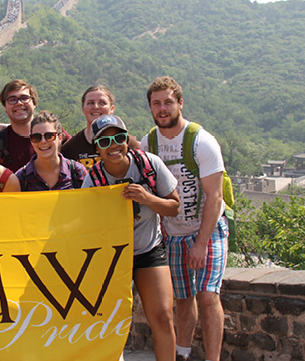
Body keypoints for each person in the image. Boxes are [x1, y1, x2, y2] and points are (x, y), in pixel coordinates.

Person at [140, 76, 229, 361]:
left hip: (208, 228)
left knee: (207, 296)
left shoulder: (201, 141)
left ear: (180, 103)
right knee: (183, 297)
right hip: (172, 233)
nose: (162, 109)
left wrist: (201, 243)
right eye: (156, 104)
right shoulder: (148, 143)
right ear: (151, 108)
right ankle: (183, 354)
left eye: (168, 102)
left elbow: (214, 196)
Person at [81, 114, 180, 361]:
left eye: (119, 138)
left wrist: (147, 198)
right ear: (96, 149)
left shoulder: (149, 164)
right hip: (113, 256)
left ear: (127, 140)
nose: (113, 146)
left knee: (163, 317)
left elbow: (174, 206)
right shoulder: (92, 180)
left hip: (149, 250)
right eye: (104, 142)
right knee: (110, 322)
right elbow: (85, 223)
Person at [61, 85, 140, 170]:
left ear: (112, 108)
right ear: (83, 109)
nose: (96, 106)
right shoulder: (70, 147)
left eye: (102, 103)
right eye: (90, 103)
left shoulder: (125, 141)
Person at [15, 111, 87, 191]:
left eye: (49, 136)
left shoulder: (77, 172)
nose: (43, 141)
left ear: (60, 138)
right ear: (31, 141)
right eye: (36, 137)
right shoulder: (21, 178)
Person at [0, 80, 40, 172]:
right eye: (12, 99)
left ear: (34, 103)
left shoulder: (52, 134)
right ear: (5, 107)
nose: (19, 103)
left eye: (24, 98)